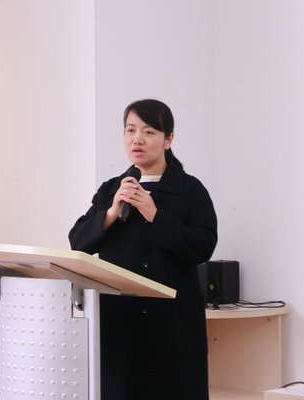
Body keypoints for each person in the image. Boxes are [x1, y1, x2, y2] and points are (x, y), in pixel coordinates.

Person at [68, 99, 218, 400]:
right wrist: (110, 214)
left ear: (168, 139)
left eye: (149, 132)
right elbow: (78, 243)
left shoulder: (191, 190)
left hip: (172, 325)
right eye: (130, 130)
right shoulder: (111, 189)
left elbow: (203, 247)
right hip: (119, 323)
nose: (137, 139)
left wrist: (155, 215)